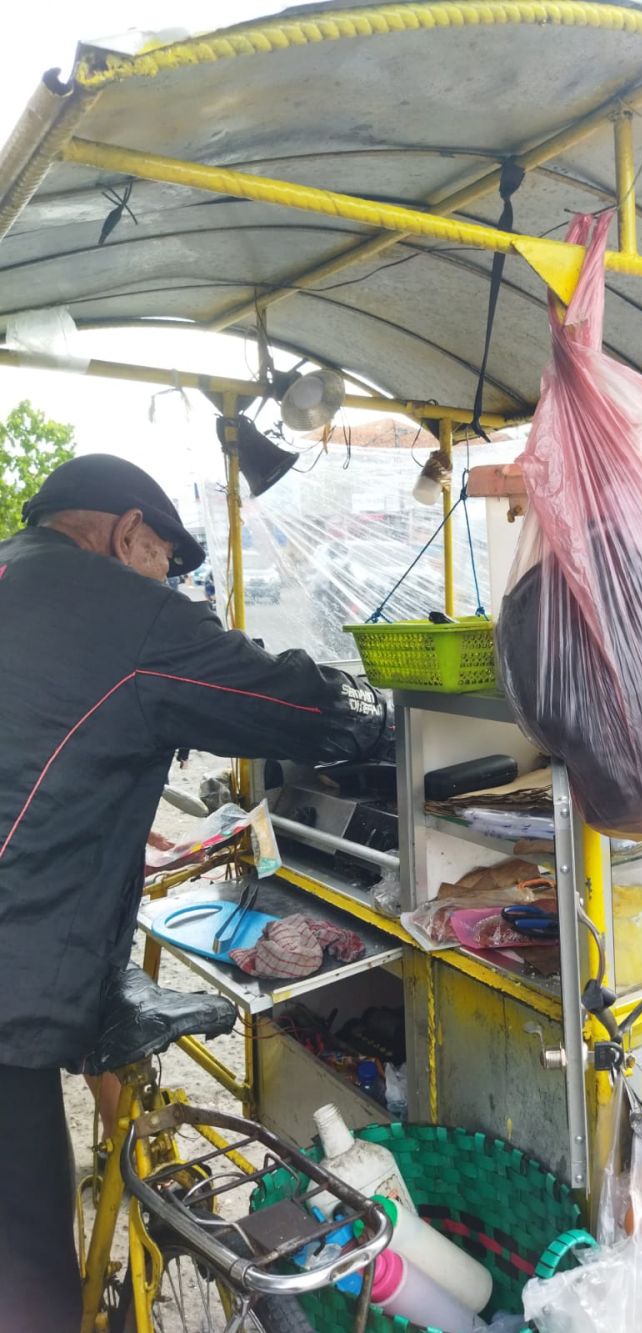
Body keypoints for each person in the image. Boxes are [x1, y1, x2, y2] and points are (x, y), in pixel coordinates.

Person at [0, 453, 392, 1332]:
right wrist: (371, 712)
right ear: (131, 531)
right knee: (27, 1272)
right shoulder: (115, 606)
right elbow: (294, 706)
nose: (171, 586)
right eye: (168, 565)